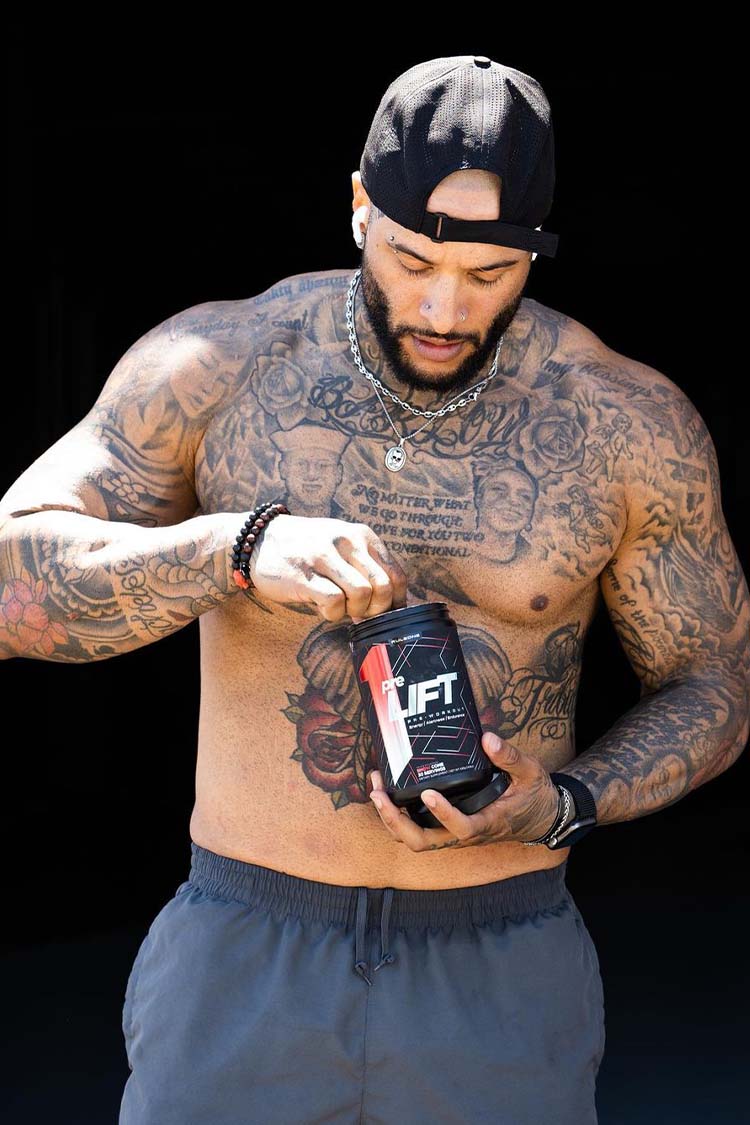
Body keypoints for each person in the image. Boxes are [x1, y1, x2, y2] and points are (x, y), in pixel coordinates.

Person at [0, 54, 747, 1125]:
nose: (445, 307)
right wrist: (234, 549)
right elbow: (8, 585)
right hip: (244, 949)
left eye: (490, 274)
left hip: (502, 956)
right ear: (358, 208)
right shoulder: (220, 365)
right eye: (411, 259)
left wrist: (571, 802)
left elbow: (715, 683)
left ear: (538, 249)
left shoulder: (623, 425)